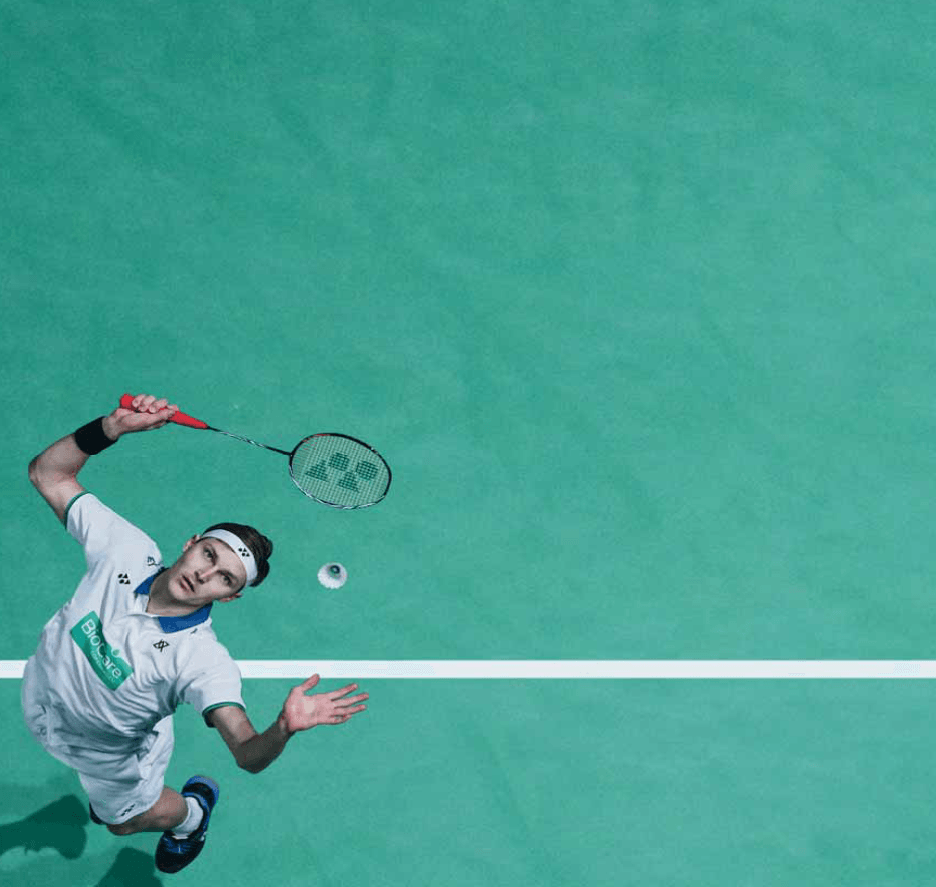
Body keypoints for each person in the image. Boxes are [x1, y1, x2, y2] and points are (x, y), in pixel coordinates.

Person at [22, 393, 368, 874]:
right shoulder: (124, 551)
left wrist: (283, 728)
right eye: (208, 554)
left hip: (110, 757)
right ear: (190, 543)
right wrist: (110, 428)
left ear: (230, 597)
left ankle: (192, 816)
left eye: (225, 578)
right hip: (39, 700)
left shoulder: (202, 661)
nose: (205, 574)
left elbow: (247, 753)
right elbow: (48, 474)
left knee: (121, 823)